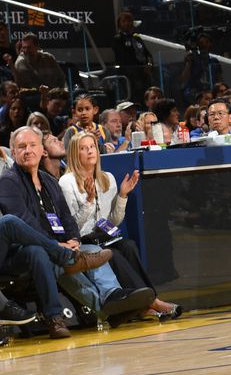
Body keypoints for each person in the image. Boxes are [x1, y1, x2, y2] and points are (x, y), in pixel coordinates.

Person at [0, 127, 125, 336]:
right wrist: (56, 246)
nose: (27, 151)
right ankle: (71, 303)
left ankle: (102, 306)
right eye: (21, 147)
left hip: (46, 248)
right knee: (25, 235)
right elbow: (25, 221)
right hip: (13, 252)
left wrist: (73, 239)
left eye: (32, 145)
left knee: (77, 249)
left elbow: (66, 217)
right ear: (13, 152)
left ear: (42, 151)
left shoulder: (48, 180)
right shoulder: (7, 181)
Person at [58, 132, 182, 320]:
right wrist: (89, 202)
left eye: (92, 146)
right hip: (82, 240)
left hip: (102, 236)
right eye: (83, 148)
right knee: (113, 254)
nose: (89, 151)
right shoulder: (67, 182)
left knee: (129, 245)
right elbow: (72, 227)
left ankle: (146, 302)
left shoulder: (106, 178)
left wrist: (123, 196)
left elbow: (113, 222)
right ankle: (152, 303)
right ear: (75, 155)